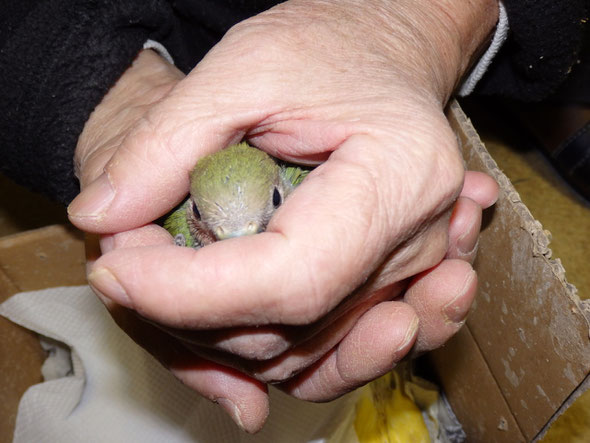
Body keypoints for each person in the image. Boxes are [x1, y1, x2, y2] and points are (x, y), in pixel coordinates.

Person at [0, 0, 587, 433]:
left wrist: (412, 24)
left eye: (266, 213)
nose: (240, 242)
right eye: (211, 221)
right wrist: (112, 105)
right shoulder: (172, 224)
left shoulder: (310, 176)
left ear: (285, 186)